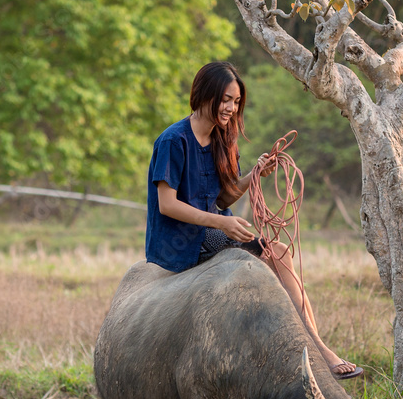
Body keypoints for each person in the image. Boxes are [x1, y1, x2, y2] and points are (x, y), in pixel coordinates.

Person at [145, 62, 362, 379]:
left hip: (212, 231)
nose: (231, 108)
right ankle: (320, 351)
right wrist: (221, 223)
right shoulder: (173, 141)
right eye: (225, 100)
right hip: (181, 240)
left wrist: (253, 176)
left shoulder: (223, 140)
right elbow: (167, 205)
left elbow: (222, 198)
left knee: (281, 253)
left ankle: (315, 346)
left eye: (235, 102)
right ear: (204, 94)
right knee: (272, 253)